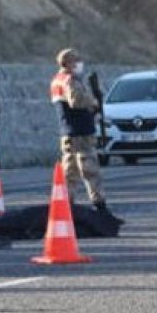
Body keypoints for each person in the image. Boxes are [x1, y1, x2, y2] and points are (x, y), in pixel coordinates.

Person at [50, 48, 111, 215]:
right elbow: (76, 101)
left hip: (68, 131)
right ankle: (99, 205)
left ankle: (66, 205)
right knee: (90, 169)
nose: (79, 64)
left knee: (70, 171)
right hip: (81, 132)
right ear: (68, 63)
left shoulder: (57, 80)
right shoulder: (69, 80)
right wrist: (93, 102)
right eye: (76, 61)